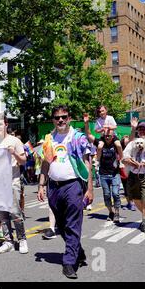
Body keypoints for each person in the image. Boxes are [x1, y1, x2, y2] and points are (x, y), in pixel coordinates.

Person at [38, 105, 93, 279]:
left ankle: (69, 262)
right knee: (60, 225)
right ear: (53, 120)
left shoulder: (78, 137)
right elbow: (45, 164)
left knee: (73, 223)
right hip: (53, 187)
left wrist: (89, 189)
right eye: (57, 117)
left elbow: (87, 163)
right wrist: (41, 184)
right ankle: (78, 250)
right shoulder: (49, 138)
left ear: (69, 118)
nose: (60, 120)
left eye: (64, 116)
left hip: (73, 185)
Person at [0, 113, 29, 254]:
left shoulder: (14, 141)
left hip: (12, 181)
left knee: (15, 213)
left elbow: (24, 161)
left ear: (6, 125)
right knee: (2, 215)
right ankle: (8, 241)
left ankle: (22, 239)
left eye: (0, 124)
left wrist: (14, 153)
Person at [122, 121, 145, 234]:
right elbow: (124, 158)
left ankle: (144, 223)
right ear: (138, 131)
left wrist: (143, 164)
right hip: (133, 175)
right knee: (135, 198)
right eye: (140, 129)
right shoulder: (132, 143)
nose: (142, 131)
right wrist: (130, 162)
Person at [119, 135, 136, 211]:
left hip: (131, 170)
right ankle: (129, 203)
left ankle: (133, 203)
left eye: (127, 142)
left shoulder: (133, 150)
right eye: (125, 142)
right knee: (125, 187)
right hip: (122, 170)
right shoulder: (120, 150)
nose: (126, 143)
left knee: (131, 187)